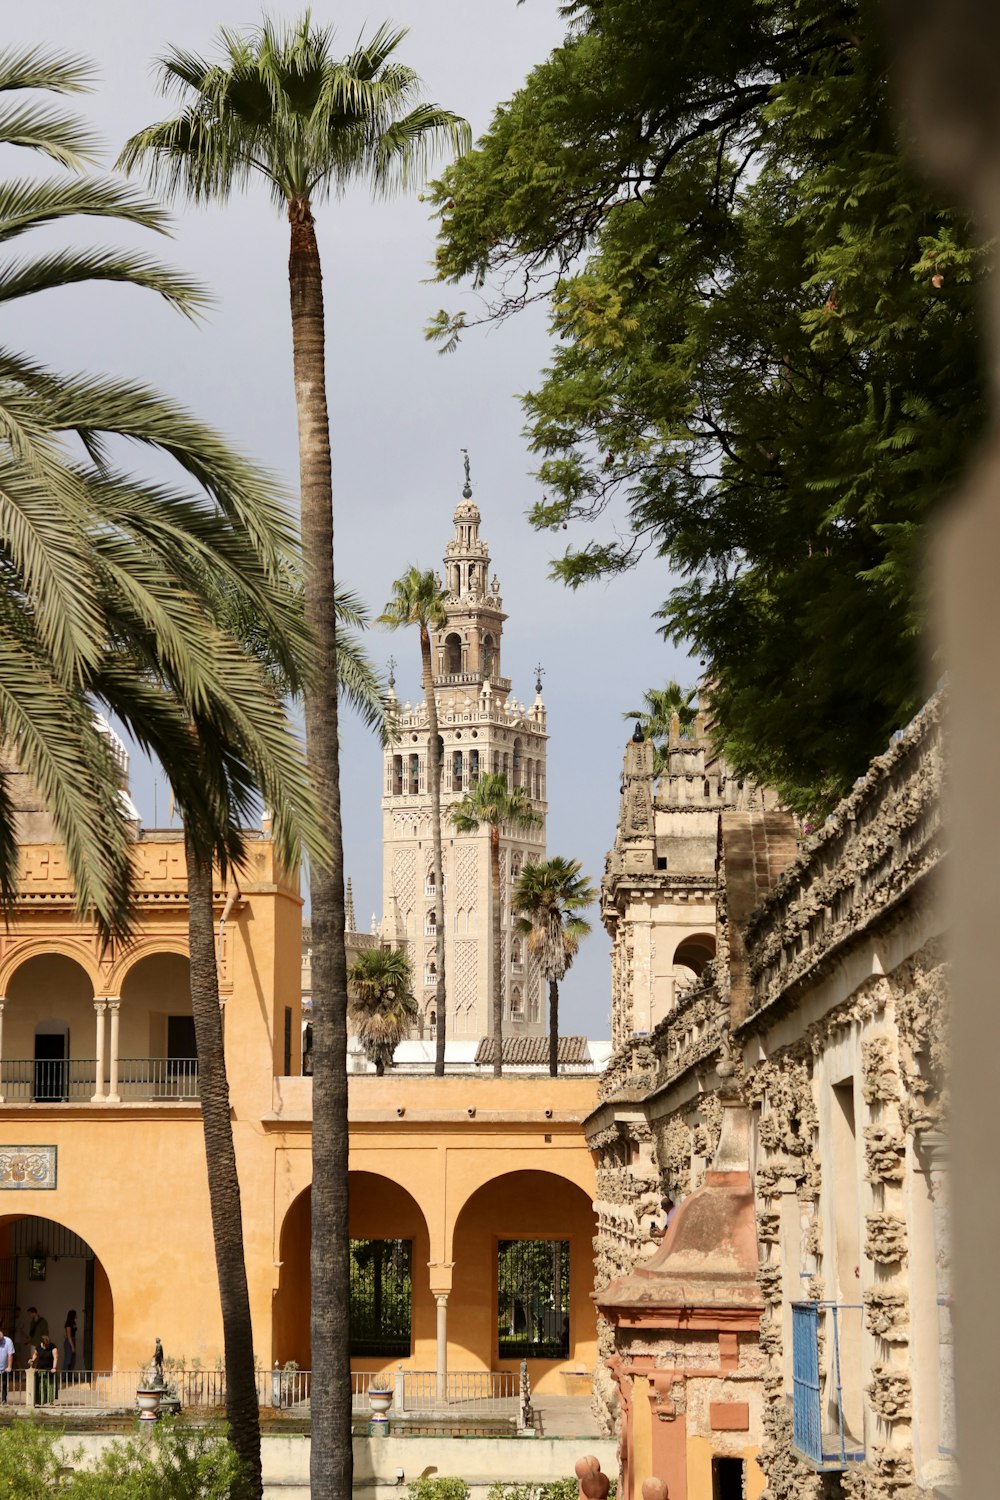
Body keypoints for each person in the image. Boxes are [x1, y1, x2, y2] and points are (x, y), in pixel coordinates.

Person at [31, 1333, 57, 1404]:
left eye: (47, 1345)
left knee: (49, 1386)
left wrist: (54, 1367)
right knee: (40, 1386)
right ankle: (40, 1401)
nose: (46, 1346)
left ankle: (50, 1401)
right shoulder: (38, 1347)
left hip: (49, 1369)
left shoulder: (53, 1347)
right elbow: (35, 1354)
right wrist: (32, 1360)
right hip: (40, 1369)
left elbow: (55, 1358)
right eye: (45, 1345)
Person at [0, 1324, 13, 1405]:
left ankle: (4, 1400)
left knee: (4, 1384)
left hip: (4, 1368)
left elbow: (10, 1354)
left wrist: (9, 1366)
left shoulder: (8, 1341)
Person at [62, 1310, 77, 1379]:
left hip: (72, 1340)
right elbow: (68, 1335)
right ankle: (64, 1377)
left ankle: (70, 1376)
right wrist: (72, 1346)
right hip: (69, 1342)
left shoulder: (73, 1323)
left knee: (72, 1360)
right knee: (68, 1359)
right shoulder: (68, 1323)